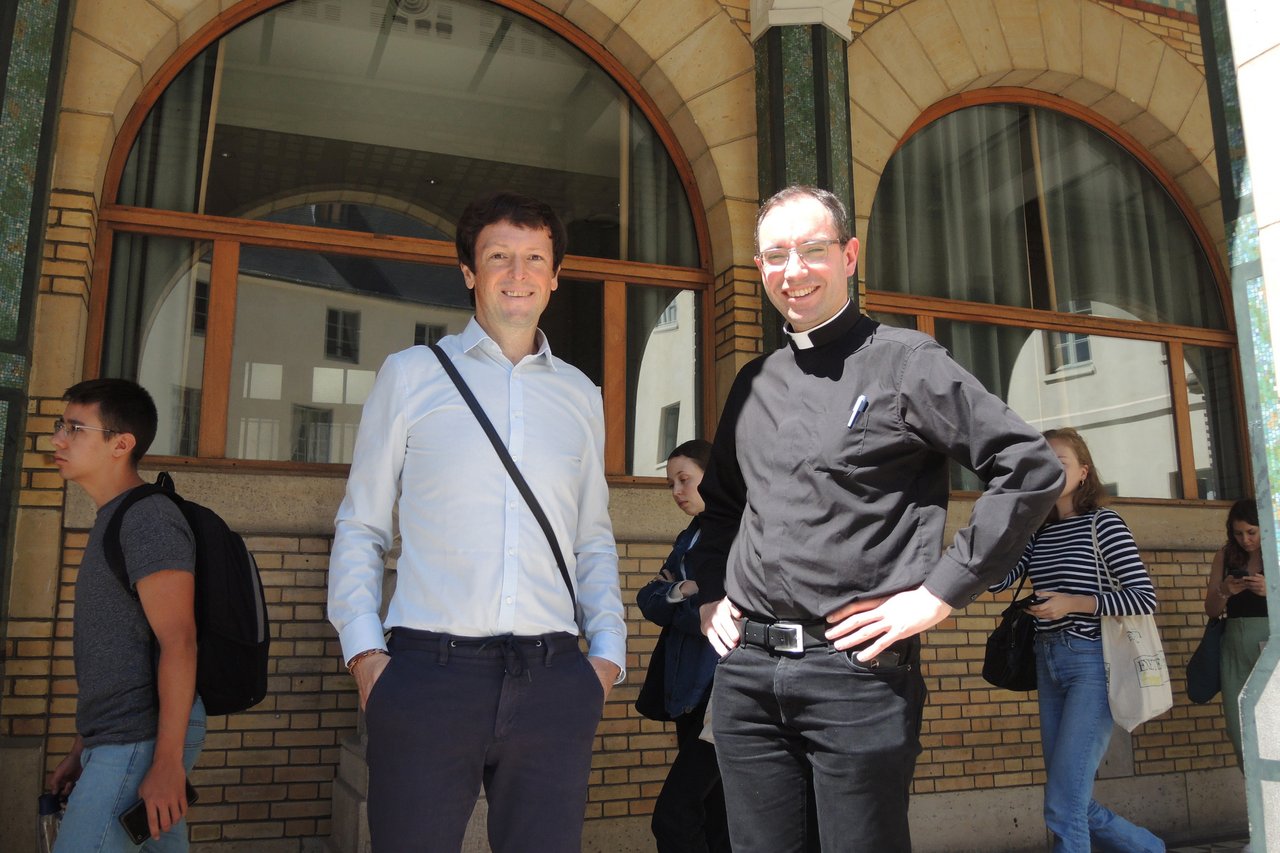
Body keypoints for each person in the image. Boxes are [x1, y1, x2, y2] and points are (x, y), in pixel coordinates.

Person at [691, 185, 1063, 852]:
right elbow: (722, 505)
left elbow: (1029, 466)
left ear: (850, 254)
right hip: (746, 677)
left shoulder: (904, 363)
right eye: (776, 254)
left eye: (812, 249)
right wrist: (711, 593)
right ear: (759, 269)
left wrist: (937, 594)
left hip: (854, 674)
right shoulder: (753, 381)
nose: (793, 270)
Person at [327, 192, 626, 853]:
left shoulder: (580, 393)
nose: (516, 274)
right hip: (430, 676)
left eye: (533, 259)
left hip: (555, 679)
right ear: (469, 271)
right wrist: (363, 652)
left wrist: (607, 654)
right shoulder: (410, 376)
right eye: (498, 257)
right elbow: (363, 524)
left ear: (554, 276)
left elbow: (591, 536)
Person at [45, 379, 205, 851]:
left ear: (121, 444)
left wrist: (167, 763)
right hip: (116, 736)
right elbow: (115, 650)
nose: (58, 438)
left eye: (75, 428)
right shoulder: (113, 518)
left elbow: (180, 640)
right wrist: (83, 747)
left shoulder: (148, 518)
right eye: (61, 425)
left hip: (140, 736)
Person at [990, 427, 1164, 853]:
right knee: (1071, 799)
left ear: (1083, 473)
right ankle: (1149, 848)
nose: (1050, 469)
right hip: (1048, 662)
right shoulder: (1038, 530)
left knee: (1063, 803)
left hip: (1092, 663)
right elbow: (998, 581)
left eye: (1060, 463)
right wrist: (1008, 518)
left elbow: (1144, 597)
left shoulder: (1103, 523)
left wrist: (1072, 603)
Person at [637, 439, 730, 853]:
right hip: (688, 692)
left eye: (684, 480)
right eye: (671, 482)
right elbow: (648, 599)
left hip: (724, 694)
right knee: (715, 814)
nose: (676, 491)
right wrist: (688, 592)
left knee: (675, 816)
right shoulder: (689, 537)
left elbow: (729, 613)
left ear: (712, 478)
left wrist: (681, 597)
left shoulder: (738, 533)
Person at [1204, 498, 1269, 765]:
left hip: (1270, 640)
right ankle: (1260, 796)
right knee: (1238, 725)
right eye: (1238, 533)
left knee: (1272, 725)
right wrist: (1225, 591)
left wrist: (1270, 591)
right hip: (1234, 643)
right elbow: (1211, 609)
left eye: (1251, 532)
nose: (1245, 539)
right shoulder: (1225, 555)